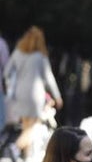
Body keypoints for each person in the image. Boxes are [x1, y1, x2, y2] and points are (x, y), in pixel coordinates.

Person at [3, 26, 61, 155]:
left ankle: (26, 157)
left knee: (26, 126)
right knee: (34, 126)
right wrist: (57, 96)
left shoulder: (18, 53)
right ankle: (15, 147)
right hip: (35, 95)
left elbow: (7, 73)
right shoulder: (40, 57)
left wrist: (11, 86)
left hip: (20, 93)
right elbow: (49, 77)